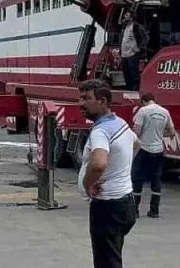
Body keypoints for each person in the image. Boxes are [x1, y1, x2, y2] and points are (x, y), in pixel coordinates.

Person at [77, 79, 137, 268]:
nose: (81, 104)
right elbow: (136, 144)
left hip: (107, 207)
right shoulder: (120, 123)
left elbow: (98, 164)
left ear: (102, 101)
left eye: (86, 98)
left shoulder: (100, 131)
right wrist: (119, 170)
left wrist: (88, 184)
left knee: (107, 263)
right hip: (126, 202)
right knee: (113, 256)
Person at [131, 92, 175, 218]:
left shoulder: (143, 111)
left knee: (137, 179)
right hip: (158, 150)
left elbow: (137, 131)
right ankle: (154, 210)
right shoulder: (165, 112)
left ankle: (135, 210)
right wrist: (160, 135)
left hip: (144, 149)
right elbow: (172, 132)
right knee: (156, 179)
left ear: (143, 101)